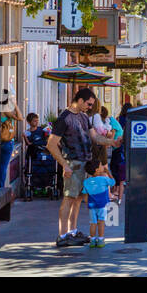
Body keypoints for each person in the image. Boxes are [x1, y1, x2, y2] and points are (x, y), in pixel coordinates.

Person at [47, 87, 97, 247]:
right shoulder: (64, 118)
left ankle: (72, 231)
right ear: (80, 100)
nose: (90, 107)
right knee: (69, 198)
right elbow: (51, 144)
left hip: (84, 164)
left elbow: (94, 137)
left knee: (78, 198)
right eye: (89, 104)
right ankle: (62, 236)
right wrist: (64, 165)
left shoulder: (84, 116)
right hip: (72, 164)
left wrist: (113, 141)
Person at [81, 160, 115, 248]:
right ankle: (100, 240)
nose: (102, 167)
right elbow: (113, 182)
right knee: (101, 222)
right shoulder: (103, 179)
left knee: (93, 223)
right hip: (102, 205)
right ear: (97, 170)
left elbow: (85, 195)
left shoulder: (86, 182)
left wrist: (87, 204)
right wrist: (108, 172)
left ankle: (92, 240)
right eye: (100, 165)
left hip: (92, 206)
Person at [0, 89, 24, 191]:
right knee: (3, 167)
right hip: (6, 141)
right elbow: (20, 118)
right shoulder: (6, 109)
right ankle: (0, 188)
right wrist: (15, 105)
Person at [110, 104, 129, 203]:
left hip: (117, 148)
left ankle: (116, 190)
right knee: (120, 174)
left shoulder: (116, 120)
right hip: (123, 149)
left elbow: (113, 135)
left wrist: (109, 142)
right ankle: (119, 196)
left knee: (114, 168)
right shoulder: (129, 119)